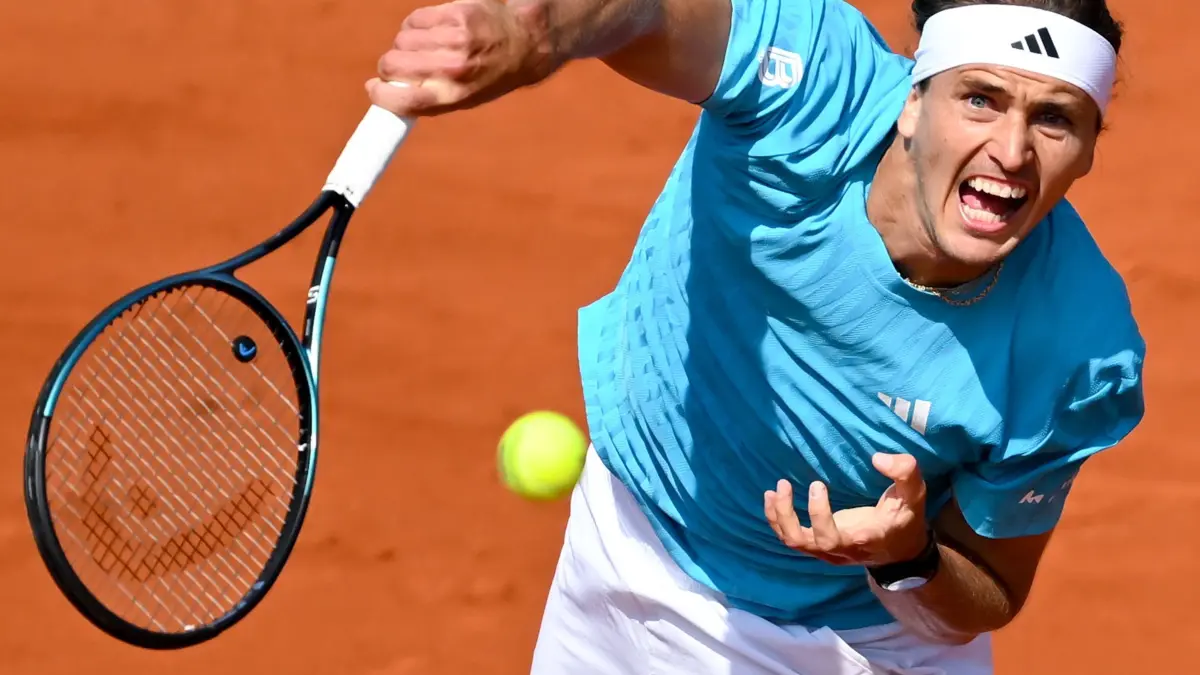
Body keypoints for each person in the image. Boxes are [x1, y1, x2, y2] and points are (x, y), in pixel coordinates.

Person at [369, 0, 1146, 672]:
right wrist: (530, 28)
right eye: (980, 99)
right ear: (914, 101)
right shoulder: (810, 85)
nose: (1011, 153)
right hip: (634, 550)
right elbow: (650, 10)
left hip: (865, 647)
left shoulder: (1082, 350)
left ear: (1089, 152)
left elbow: (985, 591)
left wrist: (907, 557)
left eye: (1054, 119)